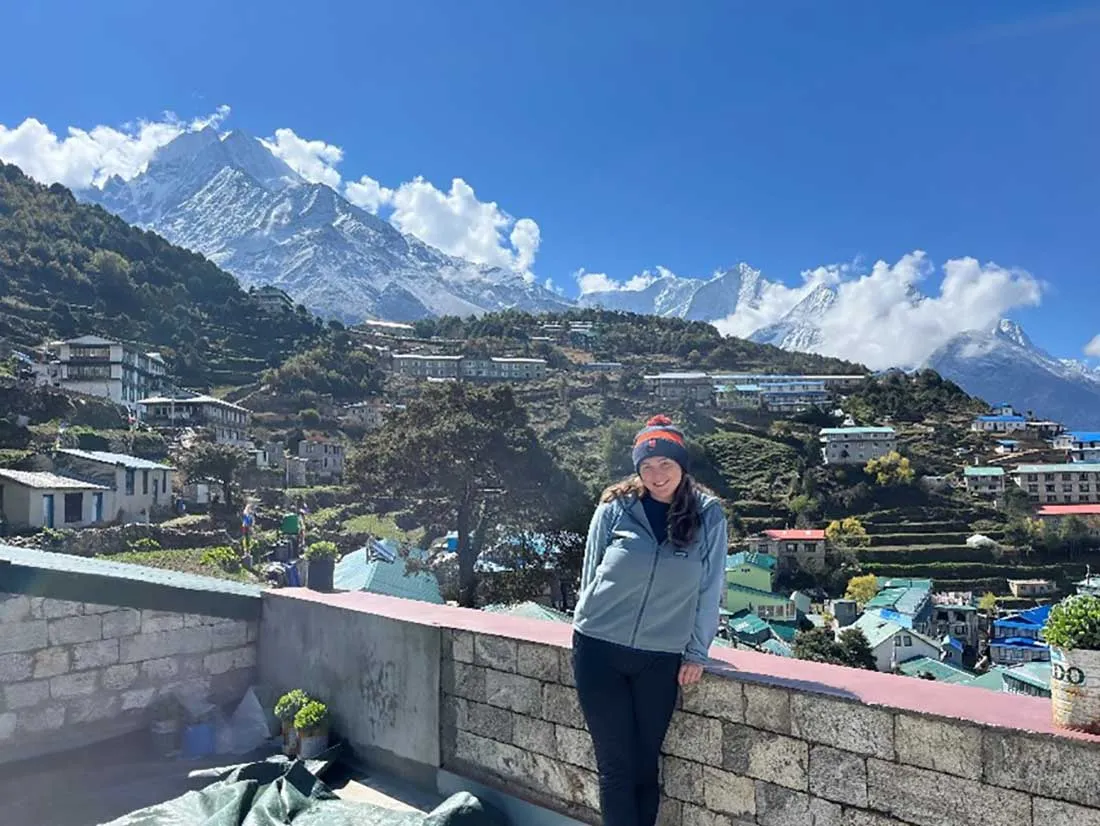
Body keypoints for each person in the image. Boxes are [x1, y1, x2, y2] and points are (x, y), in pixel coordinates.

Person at [571, 414, 727, 826]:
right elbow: (590, 573)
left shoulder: (709, 516)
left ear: (682, 467)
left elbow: (709, 589)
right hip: (598, 648)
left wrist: (697, 651)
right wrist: (585, 619)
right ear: (637, 468)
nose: (657, 475)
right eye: (647, 466)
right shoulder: (615, 507)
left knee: (645, 766)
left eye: (666, 465)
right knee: (615, 768)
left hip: (660, 656)